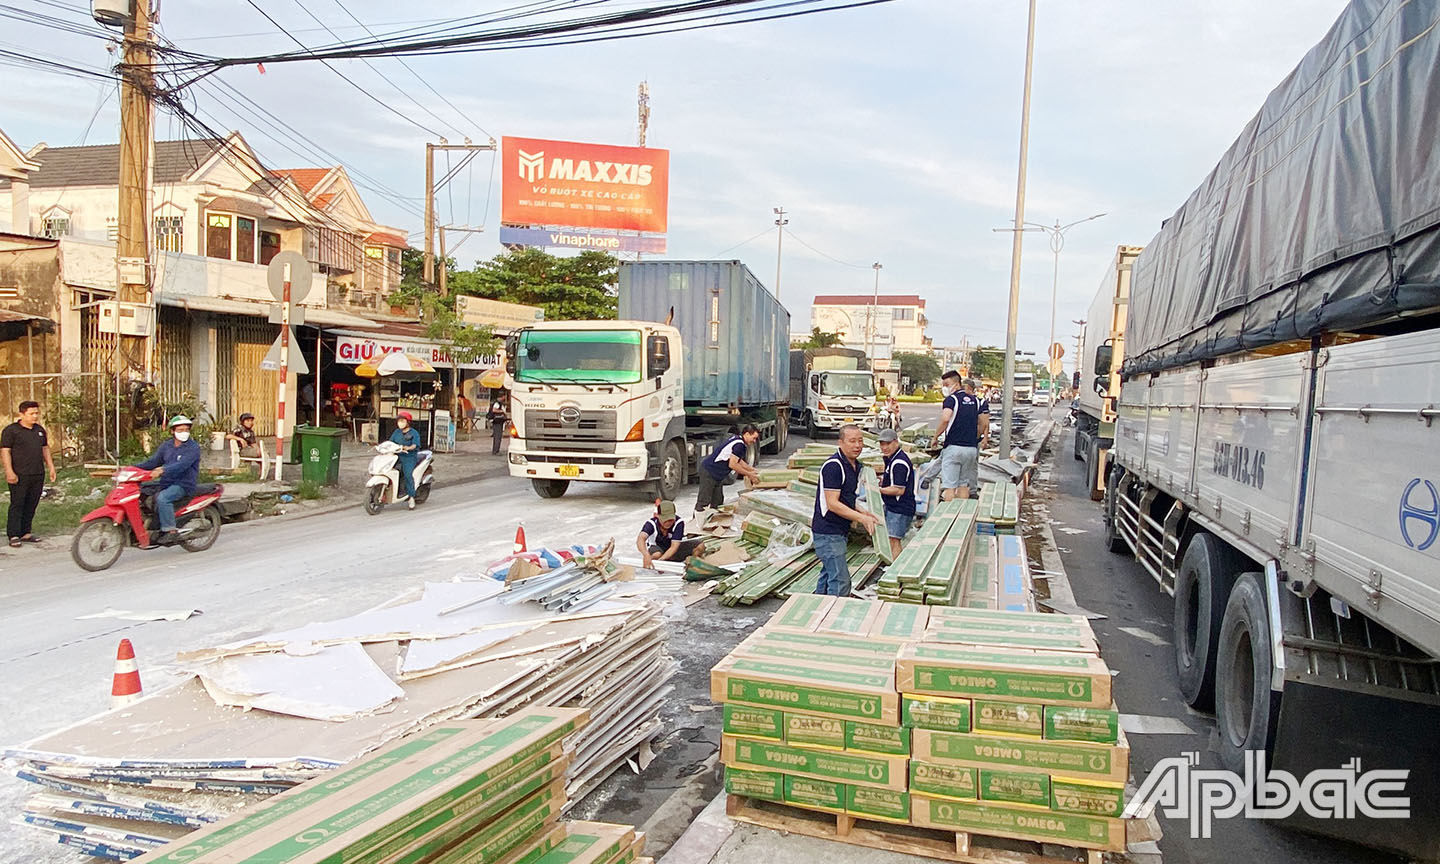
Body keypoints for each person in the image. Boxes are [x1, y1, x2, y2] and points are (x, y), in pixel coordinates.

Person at [811, 424, 879, 596]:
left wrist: (864, 512)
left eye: (860, 441)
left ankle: (817, 613)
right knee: (840, 580)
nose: (857, 445)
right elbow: (832, 503)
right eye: (852, 441)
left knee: (828, 576)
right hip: (828, 531)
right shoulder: (834, 466)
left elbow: (847, 498)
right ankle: (833, 617)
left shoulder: (855, 466)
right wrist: (861, 519)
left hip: (840, 530)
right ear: (840, 442)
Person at [135, 415, 202, 546]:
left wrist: (163, 470)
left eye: (186, 430)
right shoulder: (167, 446)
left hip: (184, 484)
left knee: (163, 498)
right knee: (140, 491)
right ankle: (149, 523)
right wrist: (132, 468)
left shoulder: (193, 448)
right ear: (172, 431)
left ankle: (170, 530)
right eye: (180, 430)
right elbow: (153, 462)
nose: (184, 433)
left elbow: (182, 465)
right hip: (166, 482)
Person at [3, 400, 57, 547]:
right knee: (18, 503)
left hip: (37, 473)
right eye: (31, 413)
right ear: (22, 414)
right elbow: (5, 451)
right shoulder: (11, 431)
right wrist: (9, 471)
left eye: (36, 413)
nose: (35, 416)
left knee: (32, 502)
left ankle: (25, 532)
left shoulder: (39, 430)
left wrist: (51, 467)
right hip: (19, 474)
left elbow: (45, 449)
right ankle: (13, 534)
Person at [934, 372, 990, 501]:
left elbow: (945, 419)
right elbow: (983, 422)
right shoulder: (976, 401)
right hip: (971, 449)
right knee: (964, 484)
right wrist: (976, 436)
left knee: (950, 487)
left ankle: (949, 514)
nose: (945, 388)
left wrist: (936, 436)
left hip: (953, 448)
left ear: (956, 384)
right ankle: (962, 513)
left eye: (946, 384)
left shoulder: (951, 400)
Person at [695, 424, 761, 512]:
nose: (754, 441)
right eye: (754, 438)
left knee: (718, 501)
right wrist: (749, 474)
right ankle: (696, 522)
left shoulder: (738, 440)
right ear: (747, 434)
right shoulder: (739, 445)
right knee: (704, 501)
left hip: (717, 475)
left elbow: (739, 461)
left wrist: (752, 470)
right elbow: (733, 464)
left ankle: (714, 522)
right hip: (710, 471)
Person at [876, 428, 915, 559]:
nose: (884, 447)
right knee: (890, 539)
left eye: (888, 443)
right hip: (894, 507)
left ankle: (893, 570)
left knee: (894, 540)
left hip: (900, 508)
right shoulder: (891, 458)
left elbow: (899, 489)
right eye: (882, 444)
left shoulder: (899, 463)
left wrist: (877, 490)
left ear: (896, 442)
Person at [636, 500, 702, 569]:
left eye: (670, 520)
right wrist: (646, 555)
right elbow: (641, 539)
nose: (668, 523)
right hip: (657, 548)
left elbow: (674, 546)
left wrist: (661, 561)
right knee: (656, 555)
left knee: (700, 546)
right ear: (658, 516)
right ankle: (653, 563)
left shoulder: (678, 523)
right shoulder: (651, 524)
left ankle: (691, 565)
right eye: (665, 520)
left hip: (672, 549)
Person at [390, 411, 422, 510]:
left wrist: (408, 448)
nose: (400, 423)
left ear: (408, 422)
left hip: (409, 457)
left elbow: (415, 445)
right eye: (399, 421)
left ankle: (411, 497)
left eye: (403, 421)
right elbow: (390, 442)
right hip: (396, 456)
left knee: (408, 475)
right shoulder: (396, 432)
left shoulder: (414, 433)